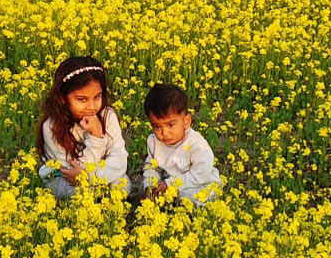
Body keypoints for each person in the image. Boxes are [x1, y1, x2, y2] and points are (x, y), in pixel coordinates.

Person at [35, 56, 128, 199]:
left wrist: (90, 178)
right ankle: (96, 202)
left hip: (101, 174)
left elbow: (119, 158)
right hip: (66, 178)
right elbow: (70, 170)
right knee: (66, 192)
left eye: (97, 97)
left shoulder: (107, 116)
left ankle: (102, 203)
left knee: (123, 185)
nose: (91, 107)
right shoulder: (52, 126)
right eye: (82, 99)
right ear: (62, 98)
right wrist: (96, 138)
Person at [138, 82, 221, 205]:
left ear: (186, 121)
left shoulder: (197, 144)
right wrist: (151, 185)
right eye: (156, 127)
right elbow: (152, 167)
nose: (164, 133)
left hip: (199, 183)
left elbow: (202, 173)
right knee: (143, 190)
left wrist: (171, 184)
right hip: (169, 185)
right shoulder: (154, 141)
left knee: (190, 198)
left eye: (171, 125)